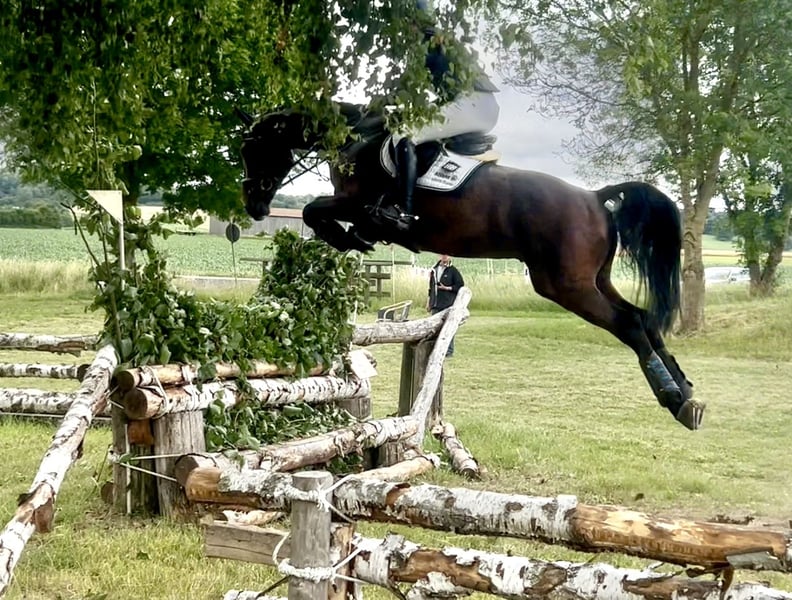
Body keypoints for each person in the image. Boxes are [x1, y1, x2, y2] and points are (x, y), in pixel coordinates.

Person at [382, 1, 500, 233]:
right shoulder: (443, 40)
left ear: (414, 23)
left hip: (470, 104)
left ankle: (404, 210)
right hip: (484, 106)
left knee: (403, 135)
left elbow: (406, 89)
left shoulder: (424, 45)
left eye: (407, 24)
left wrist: (380, 106)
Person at [426, 254, 464, 357]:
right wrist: (429, 302)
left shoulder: (453, 271)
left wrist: (447, 288)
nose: (444, 256)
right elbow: (431, 288)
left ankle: (449, 351)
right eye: (442, 254)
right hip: (435, 304)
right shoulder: (434, 270)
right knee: (434, 328)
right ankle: (434, 349)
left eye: (446, 254)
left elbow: (460, 286)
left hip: (448, 303)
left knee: (448, 327)